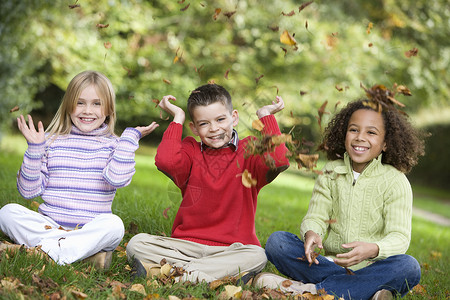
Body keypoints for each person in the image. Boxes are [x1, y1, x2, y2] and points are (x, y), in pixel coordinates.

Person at [257, 87, 425, 299]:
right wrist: (312, 233)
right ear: (344, 133)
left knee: (409, 267)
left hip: (373, 267)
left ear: (385, 144)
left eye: (371, 132)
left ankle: (310, 290)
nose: (360, 138)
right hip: (328, 264)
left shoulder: (396, 181)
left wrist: (373, 249)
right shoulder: (330, 171)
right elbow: (316, 217)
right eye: (354, 130)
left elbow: (399, 237)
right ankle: (366, 291)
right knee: (277, 243)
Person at [126, 83, 290, 283]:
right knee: (136, 244)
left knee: (258, 256)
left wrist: (265, 115)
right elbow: (165, 161)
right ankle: (210, 275)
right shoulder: (191, 150)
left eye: (221, 119)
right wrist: (178, 117)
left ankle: (174, 273)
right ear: (194, 128)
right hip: (185, 246)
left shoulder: (250, 150)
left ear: (234, 118)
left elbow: (279, 160)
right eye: (204, 124)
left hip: (232, 249)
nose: (214, 129)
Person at [0, 70, 159, 269]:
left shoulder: (115, 145)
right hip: (49, 226)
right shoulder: (50, 141)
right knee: (7, 212)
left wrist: (129, 139)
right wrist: (35, 150)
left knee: (114, 225)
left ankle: (41, 251)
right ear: (68, 106)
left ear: (109, 109)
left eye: (97, 103)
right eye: (80, 102)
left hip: (89, 230)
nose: (87, 110)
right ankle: (78, 254)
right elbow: (28, 191)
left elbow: (116, 179)